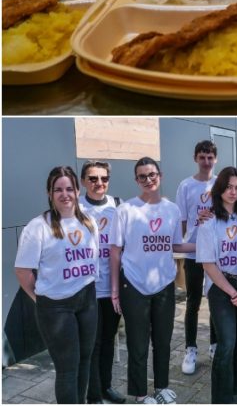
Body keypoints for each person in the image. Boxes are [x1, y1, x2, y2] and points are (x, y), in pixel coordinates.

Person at [111, 157, 194, 404]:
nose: (148, 180)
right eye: (142, 176)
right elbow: (115, 251)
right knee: (137, 345)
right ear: (136, 180)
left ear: (161, 175)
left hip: (164, 284)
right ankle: (140, 394)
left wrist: (208, 245)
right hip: (133, 284)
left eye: (152, 174)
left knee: (163, 340)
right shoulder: (125, 210)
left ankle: (162, 387)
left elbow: (176, 244)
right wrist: (115, 291)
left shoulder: (172, 209)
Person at [14, 166, 101, 404]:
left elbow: (93, 260)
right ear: (49, 193)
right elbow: (22, 271)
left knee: (85, 359)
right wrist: (41, 299)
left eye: (70, 188)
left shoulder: (89, 221)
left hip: (87, 299)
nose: (65, 194)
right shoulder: (38, 227)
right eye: (58, 189)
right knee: (67, 369)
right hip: (56, 307)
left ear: (77, 190)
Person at [196, 167, 237, 404]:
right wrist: (234, 292)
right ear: (219, 189)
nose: (232, 192)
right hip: (222, 288)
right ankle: (222, 399)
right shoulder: (209, 221)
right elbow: (208, 264)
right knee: (227, 344)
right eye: (228, 187)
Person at [80, 161, 127, 405]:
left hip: (112, 288)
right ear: (83, 181)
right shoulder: (76, 208)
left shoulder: (117, 205)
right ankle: (94, 395)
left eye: (104, 178)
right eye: (93, 178)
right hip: (87, 290)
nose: (99, 183)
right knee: (93, 343)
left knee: (109, 340)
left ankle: (106, 386)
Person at [176, 140, 217, 376]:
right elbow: (182, 220)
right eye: (202, 157)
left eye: (210, 157)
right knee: (193, 302)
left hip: (216, 252)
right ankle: (190, 349)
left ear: (215, 159)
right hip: (193, 251)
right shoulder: (186, 185)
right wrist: (184, 240)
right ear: (195, 158)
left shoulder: (220, 183)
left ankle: (214, 345)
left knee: (215, 300)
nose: (206, 161)